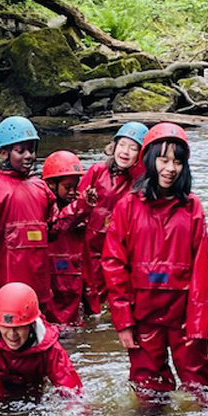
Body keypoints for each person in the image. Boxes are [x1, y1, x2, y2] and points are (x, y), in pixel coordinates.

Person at [102, 122, 208, 398]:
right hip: (142, 317)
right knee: (148, 391)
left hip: (183, 318)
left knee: (202, 391)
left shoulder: (192, 207)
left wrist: (199, 326)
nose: (170, 169)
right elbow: (114, 264)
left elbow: (202, 270)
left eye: (177, 162)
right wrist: (123, 321)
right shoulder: (127, 206)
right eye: (163, 160)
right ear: (149, 160)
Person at [0, 116, 57, 321]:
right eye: (21, 151)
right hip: (5, 277)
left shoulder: (40, 186)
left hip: (39, 278)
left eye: (32, 149)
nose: (29, 156)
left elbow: (54, 228)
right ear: (4, 152)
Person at [79, 122, 148, 310]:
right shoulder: (97, 171)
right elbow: (77, 203)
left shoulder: (141, 181)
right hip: (92, 245)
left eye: (133, 148)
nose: (125, 152)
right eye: (122, 145)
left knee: (120, 293)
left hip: (122, 247)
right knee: (91, 296)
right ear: (114, 146)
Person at [42, 151, 96, 325]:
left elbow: (86, 263)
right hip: (55, 290)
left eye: (75, 186)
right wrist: (81, 207)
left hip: (74, 287)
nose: (73, 192)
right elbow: (57, 225)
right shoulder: (46, 208)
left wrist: (92, 304)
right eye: (68, 187)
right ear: (51, 184)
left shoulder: (81, 209)